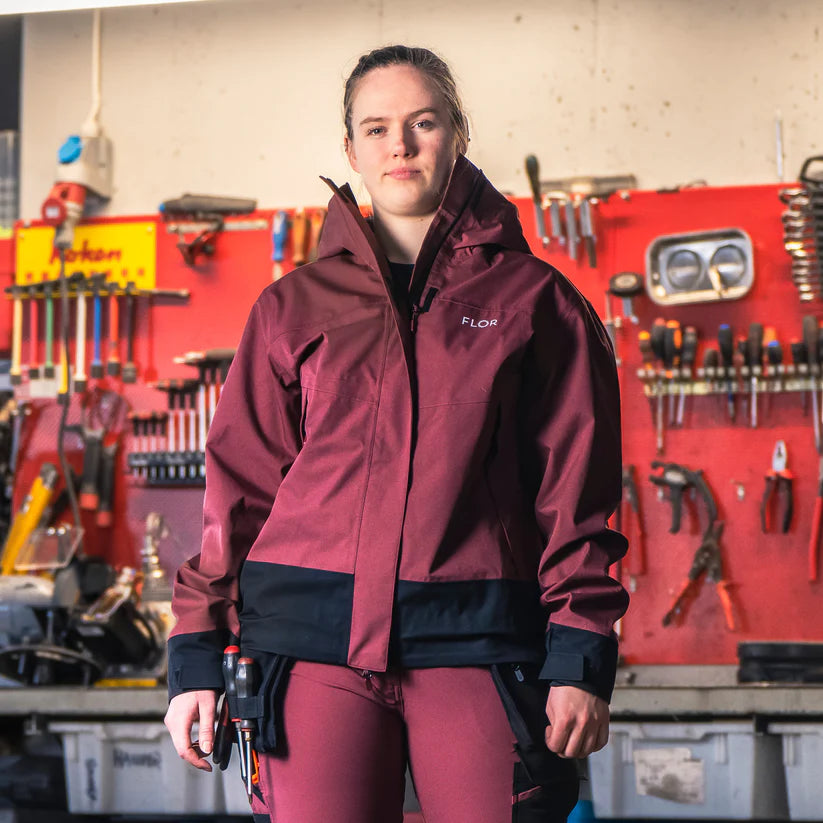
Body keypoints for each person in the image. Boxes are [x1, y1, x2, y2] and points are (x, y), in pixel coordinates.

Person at [164, 44, 629, 823]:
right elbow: (237, 491)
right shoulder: (291, 308)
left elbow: (577, 497)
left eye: (423, 122)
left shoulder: (536, 303)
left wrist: (580, 649)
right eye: (376, 128)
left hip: (479, 641)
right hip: (307, 645)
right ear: (350, 150)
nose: (400, 145)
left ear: (458, 134)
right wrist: (196, 651)